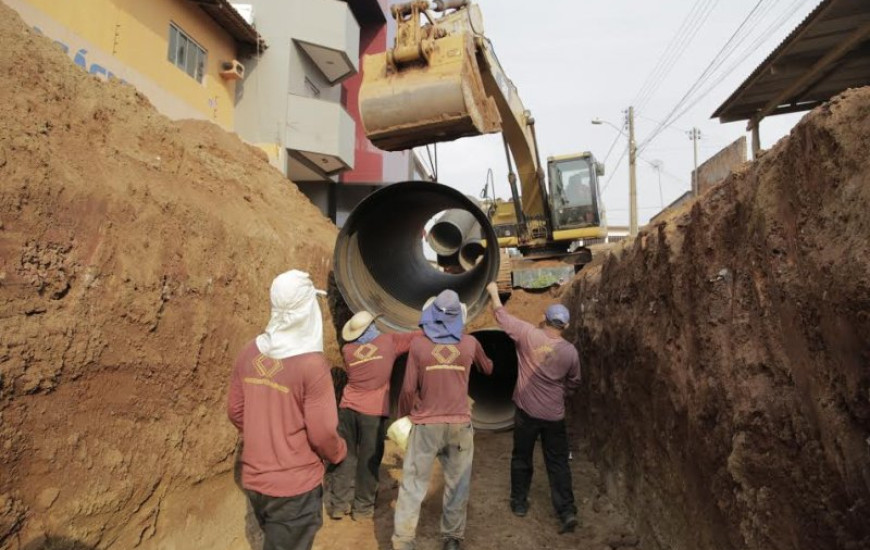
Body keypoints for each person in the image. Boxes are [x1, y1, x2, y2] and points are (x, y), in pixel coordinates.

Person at [227, 270, 347, 550]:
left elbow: (235, 410)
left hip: (256, 481)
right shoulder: (312, 366)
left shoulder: (249, 352)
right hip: (294, 490)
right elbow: (322, 433)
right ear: (308, 309)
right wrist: (339, 454)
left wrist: (264, 436)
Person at [392, 289, 494, 550]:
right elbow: (488, 368)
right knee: (457, 483)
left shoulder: (419, 345)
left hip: (426, 425)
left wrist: (404, 416)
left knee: (413, 484)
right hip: (460, 426)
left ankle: (404, 541)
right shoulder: (469, 344)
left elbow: (406, 389)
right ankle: (451, 538)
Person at [485, 282, 582, 535]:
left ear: (544, 319)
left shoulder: (528, 334)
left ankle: (519, 502)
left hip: (527, 414)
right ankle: (567, 511)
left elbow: (501, 316)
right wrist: (561, 395)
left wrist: (494, 292)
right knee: (558, 462)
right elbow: (574, 382)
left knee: (521, 457)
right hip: (554, 416)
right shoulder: (570, 352)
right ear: (566, 326)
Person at [326, 311, 421, 521]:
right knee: (369, 460)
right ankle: (362, 508)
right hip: (373, 412)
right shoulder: (388, 342)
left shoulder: (348, 350)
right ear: (371, 327)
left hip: (347, 409)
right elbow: (417, 337)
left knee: (345, 456)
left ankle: (339, 505)